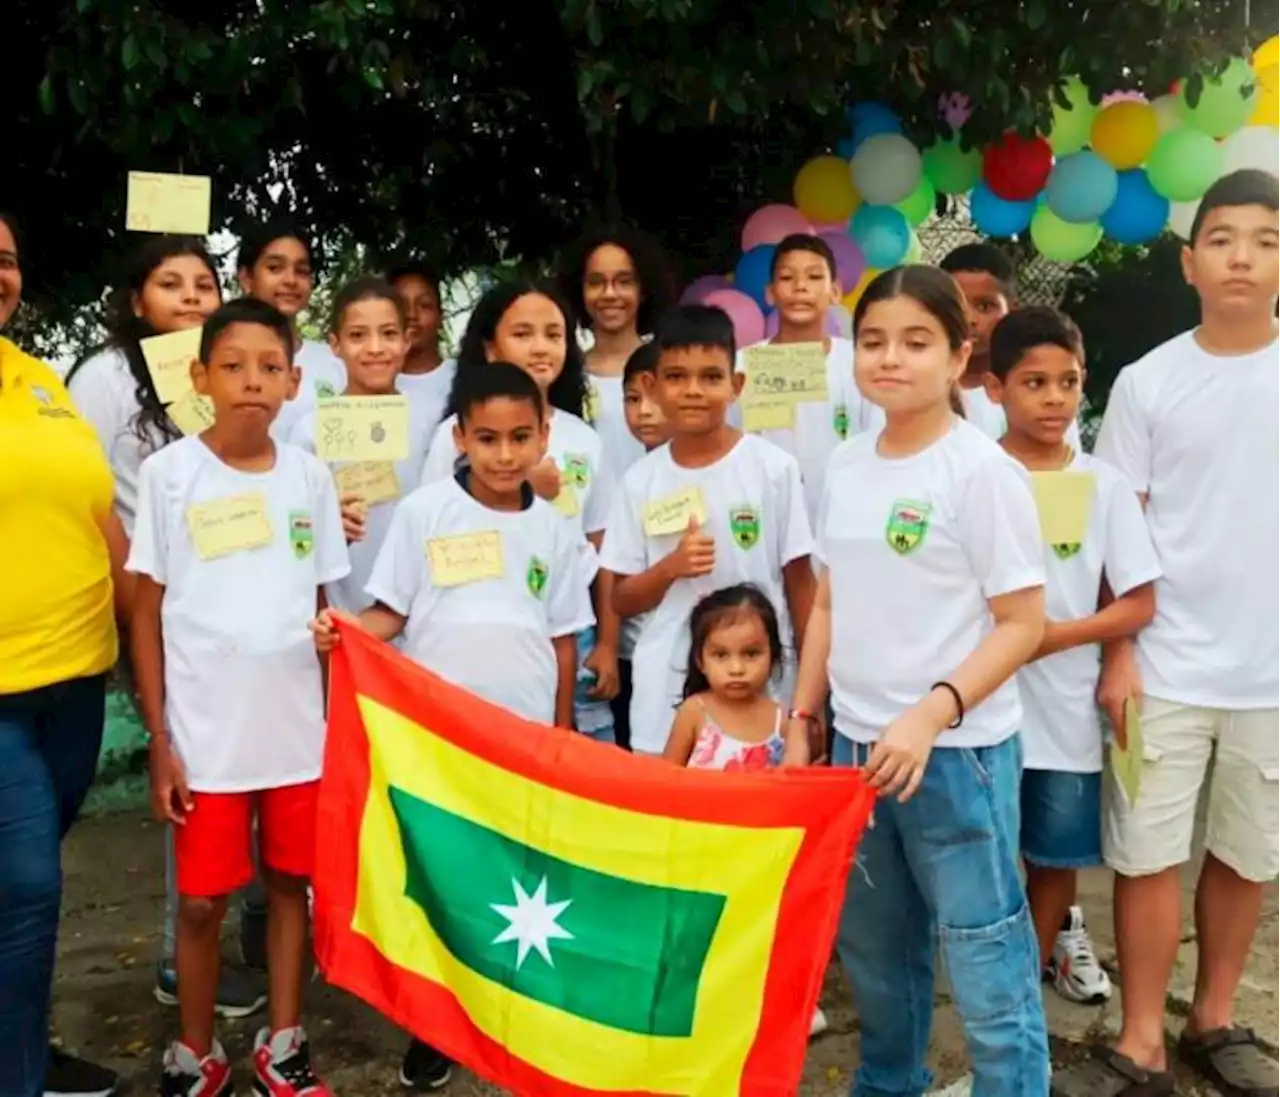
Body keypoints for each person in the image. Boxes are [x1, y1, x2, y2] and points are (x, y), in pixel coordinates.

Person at [785, 265, 1049, 1096]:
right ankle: (889, 1081)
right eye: (872, 341)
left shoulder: (979, 472)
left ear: (959, 353)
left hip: (957, 755)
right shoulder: (850, 464)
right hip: (860, 749)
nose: (889, 358)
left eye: (915, 341)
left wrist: (933, 712)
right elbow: (829, 596)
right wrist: (804, 712)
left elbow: (1024, 622)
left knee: (985, 951)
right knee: (877, 949)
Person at [1053, 170, 1280, 1097]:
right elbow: (1119, 530)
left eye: (1264, 240)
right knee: (1146, 851)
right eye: (1222, 238)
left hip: (1270, 674)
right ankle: (1142, 1036)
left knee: (1245, 850)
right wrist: (1119, 651)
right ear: (1189, 262)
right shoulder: (1149, 382)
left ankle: (1214, 1018)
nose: (1242, 257)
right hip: (1165, 665)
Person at [310, 361, 594, 1094]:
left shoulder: (554, 528)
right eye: (489, 438)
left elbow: (564, 636)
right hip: (437, 740)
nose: (504, 454)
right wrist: (343, 633)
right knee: (444, 879)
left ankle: (517, 1015)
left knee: (520, 877)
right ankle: (435, 1026)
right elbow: (390, 616)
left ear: (545, 435)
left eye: (521, 437)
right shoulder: (426, 511)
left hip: (525, 734)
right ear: (460, 435)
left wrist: (560, 731)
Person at [127, 299, 349, 1097]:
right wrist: (161, 736)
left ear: (293, 381)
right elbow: (146, 609)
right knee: (199, 903)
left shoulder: (310, 476)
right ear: (201, 377)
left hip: (294, 736)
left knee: (292, 885)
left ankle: (282, 1041)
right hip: (205, 741)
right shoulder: (169, 475)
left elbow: (324, 598)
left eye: (269, 367)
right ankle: (196, 1049)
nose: (252, 381)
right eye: (233, 365)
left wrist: (331, 654)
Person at [64, 237, 266, 1017]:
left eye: (203, 282)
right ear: (135, 297)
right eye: (170, 282)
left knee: (221, 777)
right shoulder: (107, 376)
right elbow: (93, 498)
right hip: (149, 601)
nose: (190, 296)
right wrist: (132, 599)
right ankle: (185, 959)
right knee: (188, 774)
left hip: (221, 609)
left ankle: (208, 945)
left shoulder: (215, 379)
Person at [985, 306, 1160, 1006]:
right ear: (995, 388)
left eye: (1069, 382)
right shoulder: (970, 473)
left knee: (1056, 852)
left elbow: (1137, 599)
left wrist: (1061, 639)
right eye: (1035, 383)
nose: (1056, 399)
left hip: (1064, 709)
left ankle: (1027, 972)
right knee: (988, 850)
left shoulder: (1105, 484)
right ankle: (988, 976)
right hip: (981, 706)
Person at [0, 211, 129, 1097]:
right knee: (30, 890)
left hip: (78, 681)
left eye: (5, 259)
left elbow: (100, 520)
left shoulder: (41, 380)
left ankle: (26, 1047)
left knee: (18, 896)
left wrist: (148, 652)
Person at [601, 304, 815, 757]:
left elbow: (800, 584)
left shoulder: (772, 469)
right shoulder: (640, 481)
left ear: (736, 386)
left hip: (765, 693)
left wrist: (810, 700)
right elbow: (621, 598)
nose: (693, 391)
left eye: (711, 377)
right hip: (666, 695)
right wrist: (670, 568)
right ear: (652, 388)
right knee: (667, 820)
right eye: (677, 377)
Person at [421, 280, 619, 745]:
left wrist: (608, 642)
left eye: (554, 335)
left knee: (567, 753)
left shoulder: (585, 440)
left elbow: (603, 545)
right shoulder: (453, 435)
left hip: (569, 625)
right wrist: (526, 486)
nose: (541, 347)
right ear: (491, 347)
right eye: (523, 333)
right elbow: (436, 529)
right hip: (475, 628)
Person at [662, 583, 829, 1039]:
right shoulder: (695, 713)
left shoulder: (784, 721)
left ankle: (779, 1006)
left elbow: (804, 790)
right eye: (721, 655)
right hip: (701, 856)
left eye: (751, 654)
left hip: (760, 859)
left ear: (774, 657)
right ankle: (692, 1007)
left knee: (762, 935)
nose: (736, 668)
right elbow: (665, 781)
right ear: (701, 660)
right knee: (698, 937)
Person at [289, 277, 433, 614]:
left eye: (388, 333)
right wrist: (327, 526)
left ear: (407, 340)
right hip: (345, 613)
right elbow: (296, 530)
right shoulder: (312, 429)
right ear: (335, 345)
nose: (375, 348)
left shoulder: (432, 420)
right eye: (358, 336)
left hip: (425, 616)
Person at [734, 233, 874, 525]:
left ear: (835, 291)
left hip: (843, 520)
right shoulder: (743, 365)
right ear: (770, 292)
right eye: (787, 278)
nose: (800, 287)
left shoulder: (859, 362)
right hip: (766, 520)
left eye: (813, 277)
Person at [940, 242, 1083, 451]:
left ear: (1011, 310)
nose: (970, 319)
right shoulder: (917, 391)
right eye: (957, 306)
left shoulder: (1040, 394)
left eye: (985, 306)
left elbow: (1064, 468)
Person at [561, 224, 675, 478]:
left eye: (624, 282)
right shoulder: (564, 373)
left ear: (643, 289)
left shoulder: (671, 368)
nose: (609, 294)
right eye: (596, 282)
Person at [610, 341, 671, 749]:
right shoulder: (633, 480)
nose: (644, 410)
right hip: (637, 653)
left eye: (655, 397)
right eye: (633, 398)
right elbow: (615, 580)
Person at [235, 219, 346, 442]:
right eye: (275, 268)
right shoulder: (222, 363)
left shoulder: (337, 362)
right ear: (246, 279)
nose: (290, 280)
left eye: (301, 270)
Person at [386, 260, 455, 441]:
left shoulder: (463, 378)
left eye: (424, 305)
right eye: (401, 305)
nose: (411, 315)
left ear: (441, 317)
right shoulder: (365, 381)